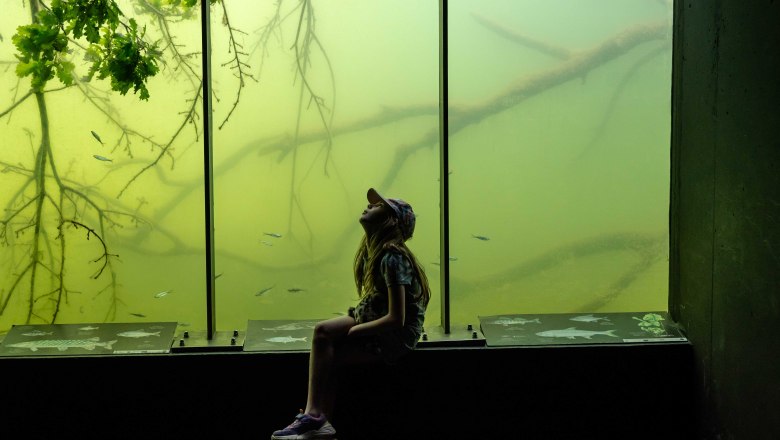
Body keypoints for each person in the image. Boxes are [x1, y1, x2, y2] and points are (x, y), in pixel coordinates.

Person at [271, 188, 431, 440]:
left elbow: (396, 318)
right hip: (372, 316)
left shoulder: (392, 257)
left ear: (392, 221)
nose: (369, 206)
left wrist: (356, 331)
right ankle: (316, 416)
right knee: (322, 331)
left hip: (395, 335)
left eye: (378, 206)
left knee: (332, 355)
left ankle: (317, 418)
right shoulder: (375, 252)